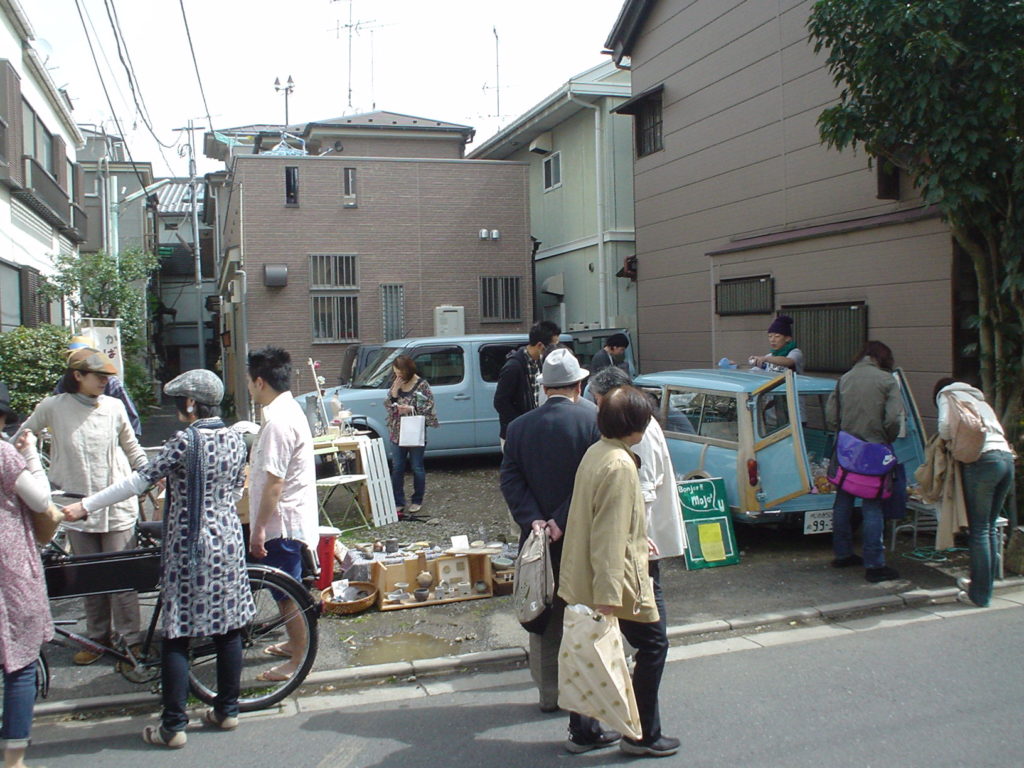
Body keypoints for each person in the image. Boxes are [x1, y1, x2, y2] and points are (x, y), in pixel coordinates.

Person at [62, 370, 255, 749]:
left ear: (188, 404)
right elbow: (235, 489)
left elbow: (138, 482)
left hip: (189, 548)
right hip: (229, 542)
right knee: (228, 630)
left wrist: (85, 506)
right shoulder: (236, 438)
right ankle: (227, 710)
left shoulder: (185, 441)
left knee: (178, 634)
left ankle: (173, 727)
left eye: (178, 403)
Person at [500, 348, 619, 753]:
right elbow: (593, 478)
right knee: (581, 617)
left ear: (544, 386)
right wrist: (561, 519)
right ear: (579, 384)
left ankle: (548, 693)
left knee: (542, 613)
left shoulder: (518, 427)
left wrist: (534, 519)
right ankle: (582, 705)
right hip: (579, 536)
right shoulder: (593, 421)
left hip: (535, 539)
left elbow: (510, 479)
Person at [559, 386, 679, 758]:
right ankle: (642, 734)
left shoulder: (598, 452)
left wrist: (640, 539)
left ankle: (584, 731)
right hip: (612, 578)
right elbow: (609, 535)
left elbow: (608, 523)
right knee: (653, 645)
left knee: (587, 649)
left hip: (583, 571)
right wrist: (609, 597)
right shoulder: (621, 464)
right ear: (636, 425)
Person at [20, 347, 148, 665]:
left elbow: (132, 447)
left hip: (116, 504)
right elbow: (24, 434)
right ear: (77, 375)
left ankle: (131, 640)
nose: (106, 381)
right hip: (73, 507)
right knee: (91, 577)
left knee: (122, 578)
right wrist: (21, 457)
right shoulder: (53, 406)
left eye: (108, 376)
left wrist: (149, 473)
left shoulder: (115, 407)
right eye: (99, 376)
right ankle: (97, 638)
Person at [587, 367, 686, 640]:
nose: (597, 409)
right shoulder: (634, 425)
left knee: (648, 594)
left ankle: (651, 651)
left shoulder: (637, 432)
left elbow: (644, 491)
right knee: (646, 591)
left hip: (642, 533)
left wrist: (638, 536)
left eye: (598, 401)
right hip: (639, 532)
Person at [246, 347, 318, 680]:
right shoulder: (290, 409)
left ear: (260, 382)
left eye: (249, 382)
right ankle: (293, 646)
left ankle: (297, 661)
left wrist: (258, 528)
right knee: (286, 591)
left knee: (288, 596)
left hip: (283, 524)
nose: (249, 387)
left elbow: (275, 483)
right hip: (291, 520)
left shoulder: (277, 421)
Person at [0, 382, 56, 768]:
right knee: (19, 663)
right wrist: (32, 455)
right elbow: (41, 501)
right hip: (10, 566)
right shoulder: (3, 452)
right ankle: (14, 758)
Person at [826, 341, 904, 582]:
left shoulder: (845, 378)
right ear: (883, 357)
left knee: (843, 501)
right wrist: (884, 438)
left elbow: (831, 414)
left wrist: (842, 433)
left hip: (846, 448)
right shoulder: (888, 380)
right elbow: (893, 418)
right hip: (874, 449)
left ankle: (842, 554)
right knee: (873, 505)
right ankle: (874, 564)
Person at [934, 378, 1015, 607]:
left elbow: (944, 428)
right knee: (989, 528)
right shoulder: (980, 400)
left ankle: (978, 595)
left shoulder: (947, 396)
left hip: (982, 462)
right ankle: (983, 588)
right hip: (1006, 459)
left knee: (979, 530)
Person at [54, 336, 142, 438]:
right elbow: (55, 410)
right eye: (73, 356)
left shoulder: (111, 384)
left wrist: (126, 444)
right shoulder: (64, 382)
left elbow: (130, 417)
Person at [383, 355, 439, 516]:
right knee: (397, 467)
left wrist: (410, 408)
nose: (398, 375)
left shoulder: (422, 384)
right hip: (397, 431)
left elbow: (429, 406)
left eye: (400, 372)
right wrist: (394, 393)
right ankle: (398, 502)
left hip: (415, 431)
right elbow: (388, 405)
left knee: (417, 466)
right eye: (395, 372)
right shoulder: (396, 383)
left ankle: (417, 499)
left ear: (408, 369)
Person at [493, 322, 558, 447]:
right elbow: (500, 402)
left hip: (534, 430)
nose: (553, 352)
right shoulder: (513, 367)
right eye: (551, 347)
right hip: (516, 434)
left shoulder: (540, 363)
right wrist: (522, 424)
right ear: (540, 345)